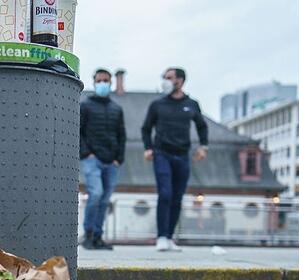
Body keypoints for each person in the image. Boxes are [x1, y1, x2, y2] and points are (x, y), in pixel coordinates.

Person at [141, 67, 209, 252]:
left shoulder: (192, 104)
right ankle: (161, 237)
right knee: (165, 194)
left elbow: (202, 127)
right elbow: (146, 128)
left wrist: (203, 146)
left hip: (183, 156)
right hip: (161, 154)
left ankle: (170, 237)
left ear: (180, 80)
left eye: (169, 77)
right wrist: (148, 148)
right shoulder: (157, 104)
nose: (166, 80)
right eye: (164, 77)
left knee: (177, 198)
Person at [80, 68, 126, 250]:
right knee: (96, 194)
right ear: (94, 82)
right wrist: (86, 154)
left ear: (111, 82)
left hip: (111, 162)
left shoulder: (117, 108)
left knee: (105, 199)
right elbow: (79, 132)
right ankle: (88, 234)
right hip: (92, 159)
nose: (103, 83)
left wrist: (118, 159)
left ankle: (98, 236)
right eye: (99, 80)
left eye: (106, 80)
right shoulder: (85, 105)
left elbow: (121, 135)